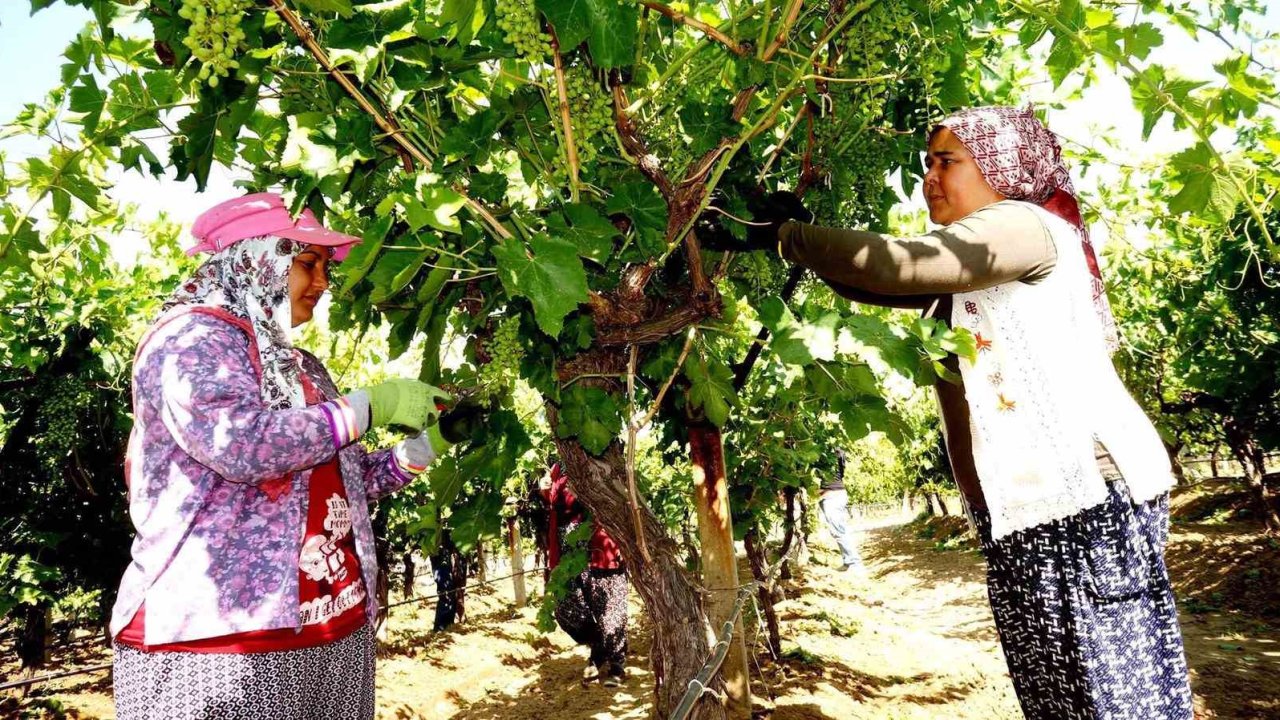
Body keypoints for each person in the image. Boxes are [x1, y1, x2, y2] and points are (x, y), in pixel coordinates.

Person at [705, 106, 1193, 720]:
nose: (930, 177)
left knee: (1111, 699)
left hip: (1083, 501)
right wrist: (797, 237)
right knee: (1059, 698)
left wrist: (782, 236)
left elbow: (896, 263)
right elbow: (877, 282)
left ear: (1000, 164)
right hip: (1028, 509)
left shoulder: (1022, 225)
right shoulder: (979, 264)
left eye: (947, 161)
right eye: (926, 163)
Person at [109, 192, 482, 720]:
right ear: (254, 259)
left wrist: (429, 445)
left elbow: (346, 479)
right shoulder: (192, 340)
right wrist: (374, 404)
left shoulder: (298, 365)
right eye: (308, 264)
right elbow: (240, 446)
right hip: (221, 642)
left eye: (324, 267)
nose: (324, 283)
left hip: (334, 628)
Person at [538, 460, 629, 687]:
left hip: (599, 544)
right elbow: (557, 503)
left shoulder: (599, 455)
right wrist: (545, 488)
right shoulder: (558, 466)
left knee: (609, 607)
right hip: (567, 553)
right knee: (567, 608)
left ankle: (616, 664)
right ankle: (599, 645)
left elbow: (599, 497)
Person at [817, 448, 865, 572]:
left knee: (839, 531)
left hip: (832, 497)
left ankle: (855, 563)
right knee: (837, 530)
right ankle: (848, 561)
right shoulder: (839, 453)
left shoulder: (823, 453)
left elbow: (831, 482)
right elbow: (839, 475)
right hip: (834, 496)